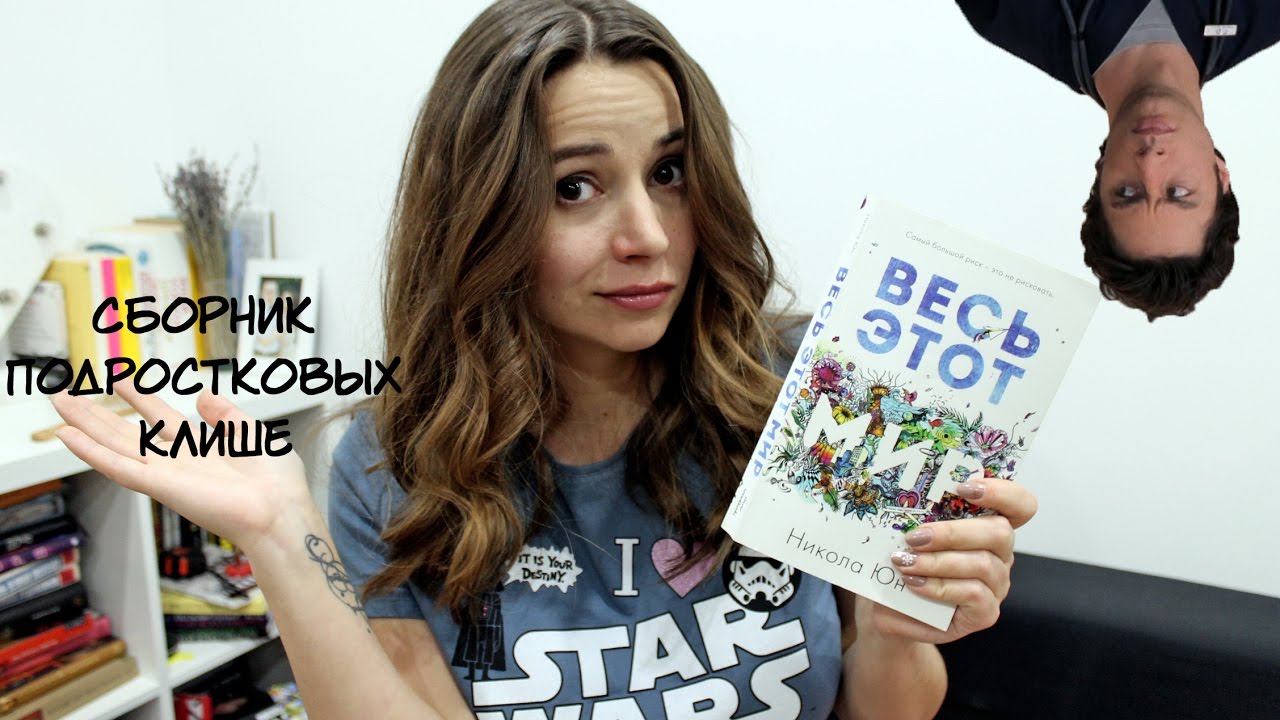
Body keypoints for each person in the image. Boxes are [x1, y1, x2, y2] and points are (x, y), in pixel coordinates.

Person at [50, 1, 1036, 717]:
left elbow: (880, 706)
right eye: (575, 188)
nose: (647, 235)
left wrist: (901, 629)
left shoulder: (804, 391)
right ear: (483, 214)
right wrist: (277, 535)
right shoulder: (394, 467)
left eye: (669, 171)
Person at [957, 0, 1280, 320]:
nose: (1150, 162)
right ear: (1220, 176)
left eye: (1127, 192)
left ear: (1100, 178)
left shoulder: (1008, 12)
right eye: (1178, 192)